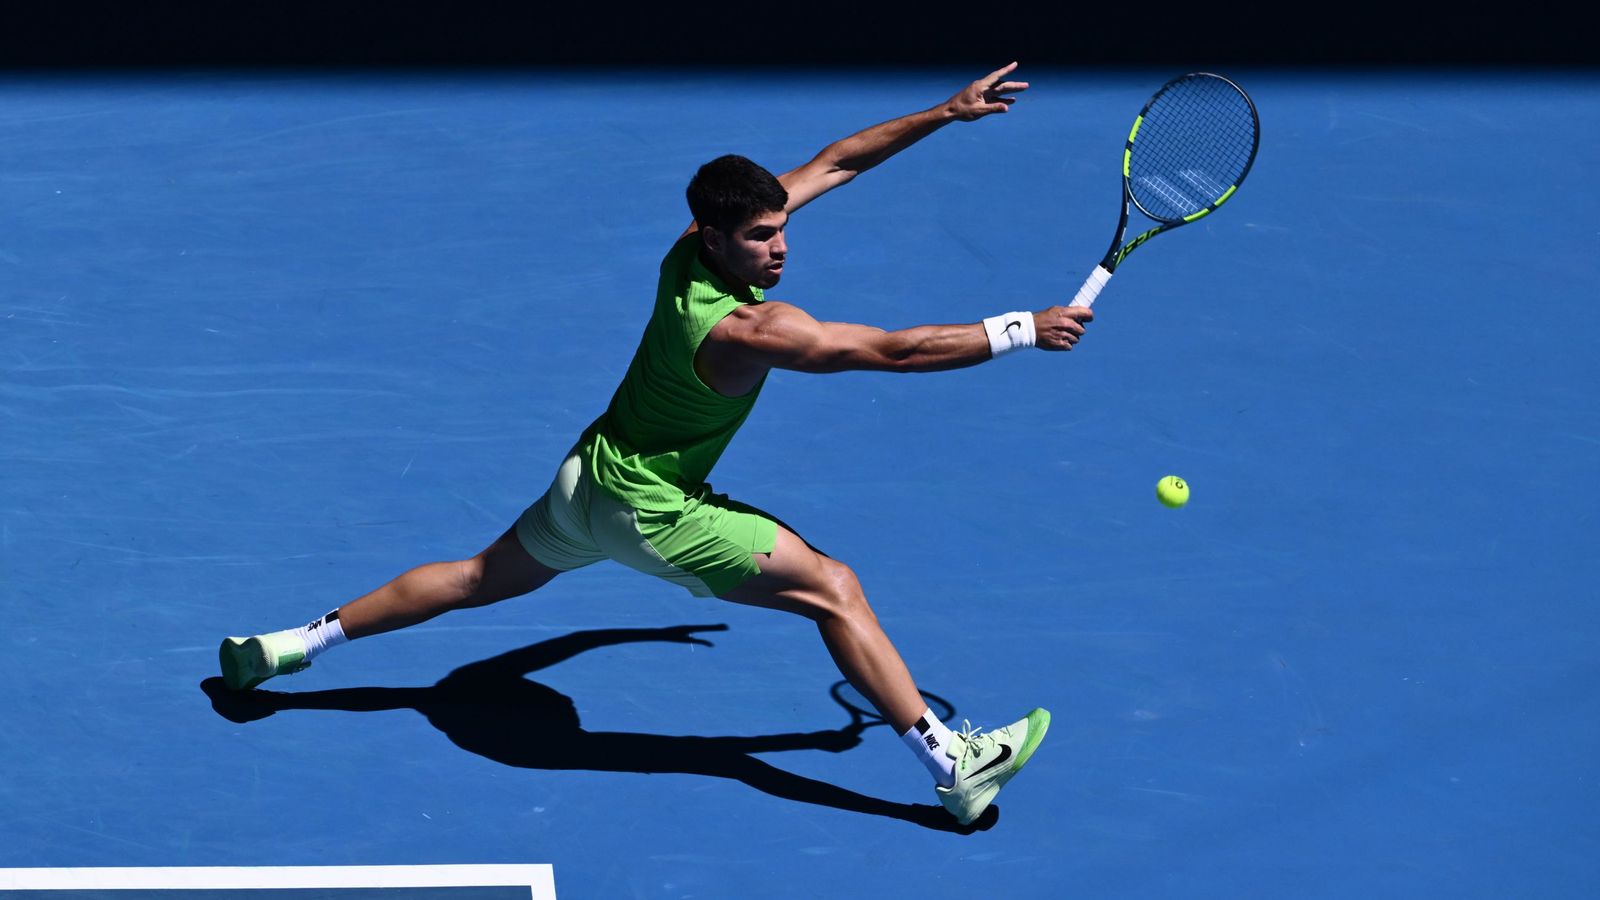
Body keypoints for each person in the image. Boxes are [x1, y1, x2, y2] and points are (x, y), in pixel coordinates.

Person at [219, 62, 1094, 826]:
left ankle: (294, 643)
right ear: (716, 236)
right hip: (652, 512)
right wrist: (1023, 327)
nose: (781, 247)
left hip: (587, 482)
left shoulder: (688, 252)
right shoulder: (751, 329)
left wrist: (943, 113)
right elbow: (891, 352)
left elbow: (835, 163)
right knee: (835, 589)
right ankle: (952, 763)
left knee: (476, 578)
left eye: (781, 226)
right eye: (761, 237)